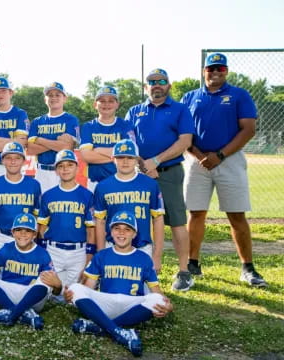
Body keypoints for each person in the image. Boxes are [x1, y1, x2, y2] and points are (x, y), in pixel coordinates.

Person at [181, 53, 268, 287]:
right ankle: (192, 263)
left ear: (226, 71)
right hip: (197, 160)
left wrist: (220, 155)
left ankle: (247, 268)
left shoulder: (239, 94)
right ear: (204, 71)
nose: (215, 72)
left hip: (228, 160)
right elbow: (183, 133)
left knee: (236, 214)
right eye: (211, 68)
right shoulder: (190, 97)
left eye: (220, 68)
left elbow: (248, 129)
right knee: (196, 213)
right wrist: (201, 156)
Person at [64, 210, 173, 357]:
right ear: (111, 231)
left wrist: (168, 305)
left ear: (134, 234)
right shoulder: (102, 255)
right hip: (106, 303)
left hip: (131, 306)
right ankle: (118, 331)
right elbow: (89, 287)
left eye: (127, 229)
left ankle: (100, 327)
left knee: (157, 299)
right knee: (76, 288)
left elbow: (156, 290)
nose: (121, 233)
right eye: (117, 228)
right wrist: (72, 296)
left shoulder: (143, 258)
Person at [125, 68, 195, 292]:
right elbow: (128, 142)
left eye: (161, 81)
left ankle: (184, 271)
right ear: (146, 87)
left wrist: (156, 161)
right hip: (141, 174)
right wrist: (144, 164)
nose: (156, 85)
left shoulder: (180, 109)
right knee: (140, 222)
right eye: (151, 82)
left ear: (169, 85)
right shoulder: (135, 111)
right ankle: (141, 268)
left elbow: (185, 141)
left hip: (169, 172)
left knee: (176, 222)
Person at [93, 139, 167, 285]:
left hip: (142, 247)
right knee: (113, 292)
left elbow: (158, 220)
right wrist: (101, 254)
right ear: (113, 159)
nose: (125, 161)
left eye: (130, 157)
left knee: (143, 297)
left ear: (136, 159)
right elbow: (100, 222)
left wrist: (157, 255)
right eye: (120, 157)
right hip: (112, 246)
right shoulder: (103, 186)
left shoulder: (150, 184)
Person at [0, 213, 62, 330]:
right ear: (13, 232)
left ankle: (9, 314)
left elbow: (55, 290)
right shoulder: (7, 248)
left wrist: (58, 285)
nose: (23, 234)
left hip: (32, 297)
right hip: (9, 294)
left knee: (46, 279)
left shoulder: (42, 253)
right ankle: (22, 314)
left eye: (28, 231)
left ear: (34, 234)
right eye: (19, 230)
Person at [37, 149, 95, 291]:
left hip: (78, 251)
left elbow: (90, 231)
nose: (65, 169)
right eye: (61, 166)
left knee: (76, 294)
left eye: (70, 165)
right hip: (53, 249)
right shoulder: (48, 195)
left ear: (77, 168)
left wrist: (88, 259)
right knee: (44, 292)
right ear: (56, 170)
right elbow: (41, 229)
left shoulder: (87, 195)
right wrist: (43, 255)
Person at [0, 142, 41, 261]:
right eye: (8, 158)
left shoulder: (34, 185)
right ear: (2, 160)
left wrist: (34, 241)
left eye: (17, 158)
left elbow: (37, 218)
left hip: (24, 239)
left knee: (21, 277)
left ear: (23, 161)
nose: (13, 162)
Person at [80, 86, 135, 192]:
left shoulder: (125, 125)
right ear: (95, 105)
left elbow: (130, 153)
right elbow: (86, 156)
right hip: (95, 183)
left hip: (121, 181)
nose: (106, 104)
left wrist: (99, 150)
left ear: (117, 104)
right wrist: (118, 156)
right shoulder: (88, 126)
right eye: (102, 101)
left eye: (111, 101)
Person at [27, 82, 79, 193]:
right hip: (41, 172)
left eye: (58, 95)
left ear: (65, 98)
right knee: (41, 208)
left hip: (63, 173)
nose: (53, 98)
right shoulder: (37, 121)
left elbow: (67, 147)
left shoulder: (70, 119)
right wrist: (57, 143)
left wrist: (40, 140)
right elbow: (31, 149)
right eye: (50, 95)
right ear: (45, 99)